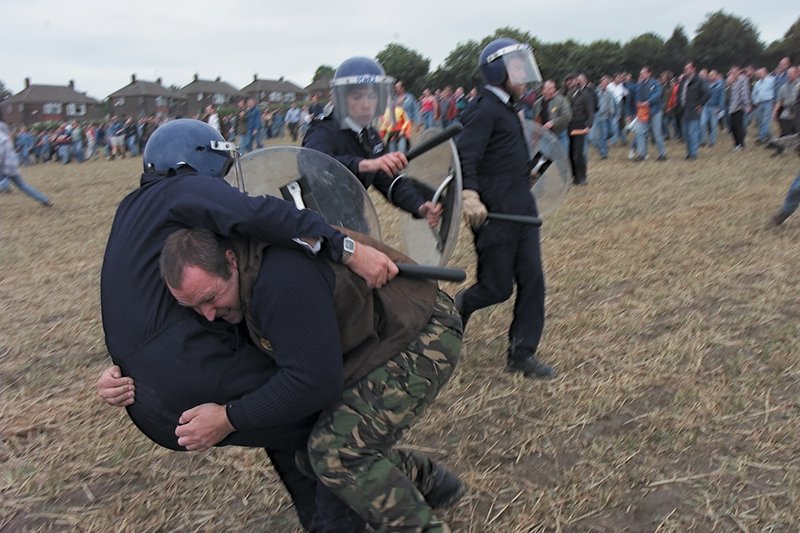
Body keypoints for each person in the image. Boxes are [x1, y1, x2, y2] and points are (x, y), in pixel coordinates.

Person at [97, 118, 402, 530]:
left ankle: (332, 515)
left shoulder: (129, 211)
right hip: (188, 370)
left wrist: (124, 369)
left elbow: (131, 302)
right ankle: (376, 506)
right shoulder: (182, 188)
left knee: (278, 418)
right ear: (196, 163)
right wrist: (345, 247)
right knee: (320, 402)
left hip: (144, 394)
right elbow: (256, 213)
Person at [156, 226, 463, 531]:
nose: (207, 314)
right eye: (194, 306)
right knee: (310, 457)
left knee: (336, 454)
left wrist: (228, 418)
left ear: (230, 261)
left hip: (420, 333)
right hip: (367, 344)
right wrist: (123, 375)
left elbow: (313, 383)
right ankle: (429, 481)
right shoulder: (236, 283)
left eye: (211, 298)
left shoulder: (280, 280)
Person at [454, 37, 555, 379]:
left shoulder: (510, 109)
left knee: (533, 280)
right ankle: (461, 305)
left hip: (522, 211)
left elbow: (502, 158)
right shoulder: (483, 109)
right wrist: (470, 194)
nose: (525, 75)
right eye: (517, 68)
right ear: (497, 72)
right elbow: (465, 154)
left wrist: (529, 170)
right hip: (495, 215)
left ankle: (522, 353)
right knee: (496, 288)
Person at [302, 56, 441, 226]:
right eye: (357, 97)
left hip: (355, 223)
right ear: (341, 99)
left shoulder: (370, 135)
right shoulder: (323, 130)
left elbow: (389, 181)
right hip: (320, 229)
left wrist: (419, 206)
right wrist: (367, 164)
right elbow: (312, 163)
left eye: (372, 96)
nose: (366, 104)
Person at [0, 121, 51, 205]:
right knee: (23, 186)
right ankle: (44, 200)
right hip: (11, 165)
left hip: (4, 166)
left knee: (13, 183)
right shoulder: (6, 138)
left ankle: (5, 187)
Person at [567, 73, 595, 185]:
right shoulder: (569, 94)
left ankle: (582, 177)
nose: (572, 82)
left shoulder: (585, 94)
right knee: (571, 152)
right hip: (570, 125)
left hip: (580, 124)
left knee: (579, 152)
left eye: (574, 80)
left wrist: (588, 125)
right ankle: (575, 176)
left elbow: (590, 110)